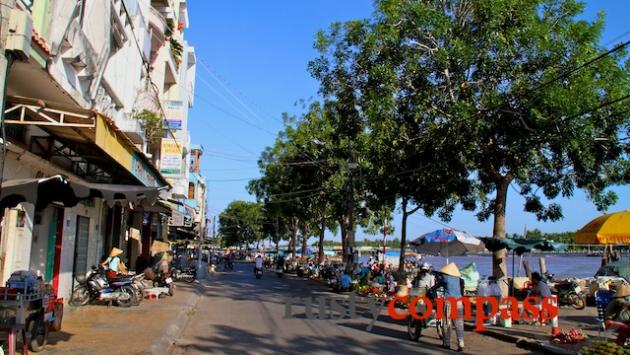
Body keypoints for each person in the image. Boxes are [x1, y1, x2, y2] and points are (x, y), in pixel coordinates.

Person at [437, 263, 465, 352]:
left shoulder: (446, 278)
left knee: (447, 322)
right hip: (459, 302)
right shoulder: (458, 279)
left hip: (449, 302)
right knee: (459, 324)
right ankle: (461, 343)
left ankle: (446, 343)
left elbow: (439, 279)